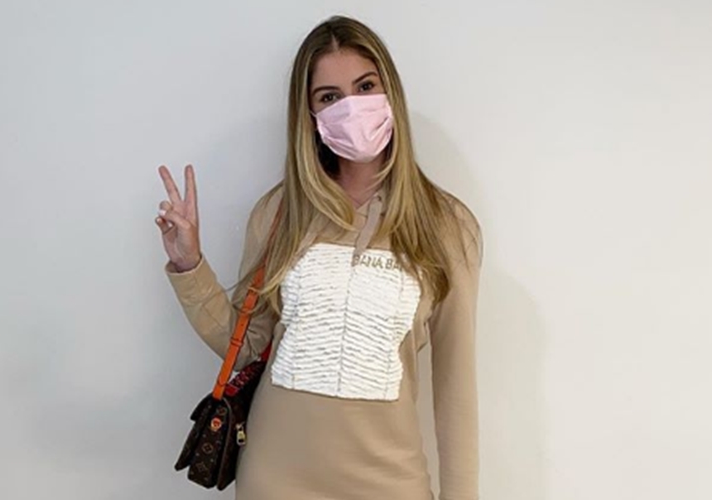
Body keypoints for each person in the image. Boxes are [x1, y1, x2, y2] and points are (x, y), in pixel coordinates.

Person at [155, 14, 483, 500]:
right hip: (275, 480)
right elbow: (244, 345)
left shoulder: (447, 225)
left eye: (365, 86)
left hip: (390, 483)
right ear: (309, 114)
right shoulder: (278, 213)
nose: (351, 107)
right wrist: (189, 265)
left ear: (390, 91)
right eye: (329, 97)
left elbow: (455, 388)